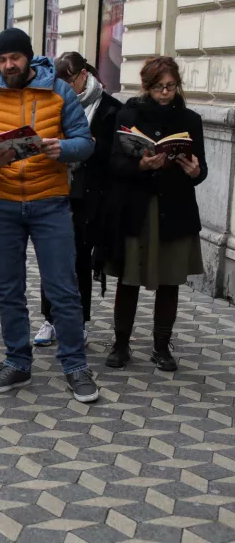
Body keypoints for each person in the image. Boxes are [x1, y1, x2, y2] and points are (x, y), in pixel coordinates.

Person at [0, 28, 100, 403]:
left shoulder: (59, 91)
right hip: (2, 204)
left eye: (15, 58)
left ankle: (75, 365)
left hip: (50, 201)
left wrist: (63, 148)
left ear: (28, 57)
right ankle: (17, 361)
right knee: (9, 290)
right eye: (2, 59)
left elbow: (86, 143)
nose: (8, 65)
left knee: (63, 289)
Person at [101, 56, 207, 371]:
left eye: (170, 87)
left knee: (170, 279)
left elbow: (200, 170)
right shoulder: (128, 114)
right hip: (137, 209)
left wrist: (195, 171)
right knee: (129, 278)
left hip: (175, 209)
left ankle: (162, 347)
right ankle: (121, 345)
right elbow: (113, 164)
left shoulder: (190, 119)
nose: (165, 93)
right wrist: (140, 165)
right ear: (147, 87)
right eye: (159, 87)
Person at [32, 52, 123, 348]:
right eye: (61, 83)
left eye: (70, 81)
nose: (65, 88)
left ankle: (79, 322)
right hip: (55, 186)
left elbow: (112, 154)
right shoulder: (53, 102)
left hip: (89, 193)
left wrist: (87, 147)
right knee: (51, 256)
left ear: (84, 74)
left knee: (80, 257)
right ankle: (49, 319)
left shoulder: (109, 108)